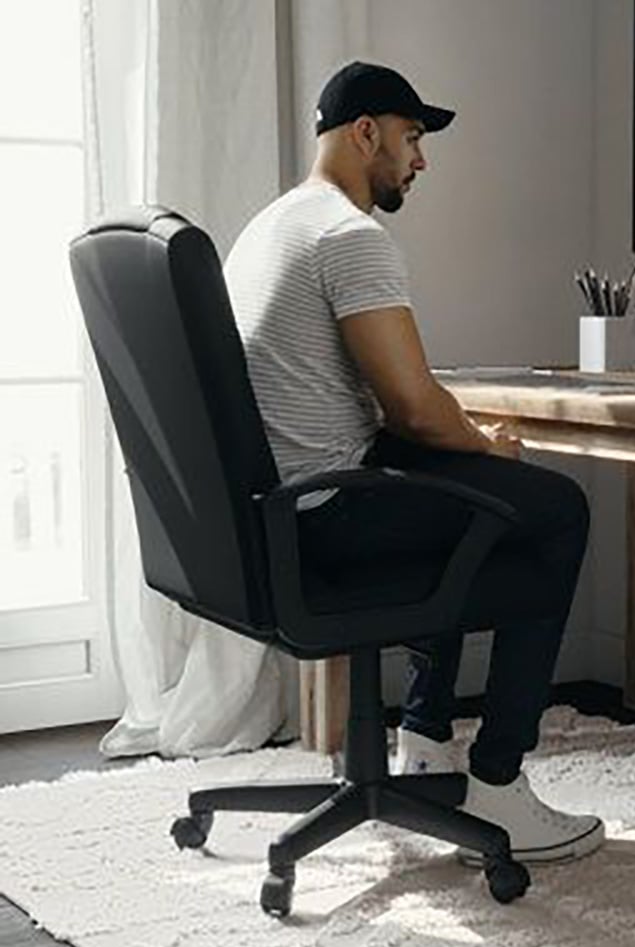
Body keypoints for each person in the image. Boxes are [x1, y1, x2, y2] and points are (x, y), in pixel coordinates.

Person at [224, 60, 603, 865]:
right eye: (412, 138)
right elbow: (414, 409)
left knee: (468, 489)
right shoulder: (350, 236)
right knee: (556, 509)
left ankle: (427, 744)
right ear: (367, 133)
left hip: (280, 513)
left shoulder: (271, 227)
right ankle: (499, 784)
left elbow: (390, 412)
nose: (420, 160)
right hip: (327, 516)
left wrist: (464, 448)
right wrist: (486, 443)